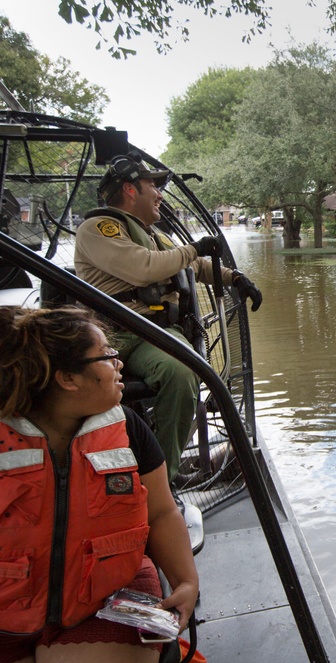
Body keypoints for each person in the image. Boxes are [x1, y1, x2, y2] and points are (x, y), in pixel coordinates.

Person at [0, 306, 198, 663]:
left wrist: (185, 581)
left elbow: (163, 511)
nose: (120, 364)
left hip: (102, 603)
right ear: (68, 379)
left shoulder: (128, 428)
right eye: (108, 356)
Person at [74, 154, 262, 480]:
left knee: (188, 368)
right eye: (153, 186)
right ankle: (158, 482)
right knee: (181, 372)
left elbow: (193, 266)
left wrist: (235, 278)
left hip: (154, 333)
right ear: (131, 190)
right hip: (117, 335)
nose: (160, 194)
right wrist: (195, 248)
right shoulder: (98, 229)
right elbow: (144, 268)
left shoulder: (154, 235)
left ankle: (163, 471)